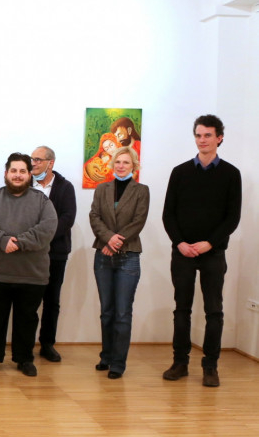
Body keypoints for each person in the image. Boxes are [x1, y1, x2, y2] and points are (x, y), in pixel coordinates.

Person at [162, 114, 241, 388]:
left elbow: (232, 217)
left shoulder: (231, 174)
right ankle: (180, 363)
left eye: (208, 135)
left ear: (219, 138)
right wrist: (180, 243)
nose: (202, 140)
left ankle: (210, 367)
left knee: (214, 311)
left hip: (213, 253)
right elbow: (168, 214)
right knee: (181, 310)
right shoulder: (180, 172)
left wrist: (210, 243)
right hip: (182, 252)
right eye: (198, 135)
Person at [0, 153, 56, 377]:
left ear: (29, 174)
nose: (17, 175)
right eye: (13, 171)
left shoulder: (42, 201)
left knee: (27, 319)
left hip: (31, 274)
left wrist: (19, 243)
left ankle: (24, 359)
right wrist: (2, 241)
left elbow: (48, 228)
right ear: (6, 173)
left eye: (22, 171)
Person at [89, 147, 149, 379]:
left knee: (122, 313)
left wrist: (115, 242)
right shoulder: (102, 189)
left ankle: (118, 363)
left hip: (128, 257)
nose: (121, 166)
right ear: (112, 165)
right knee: (107, 311)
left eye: (126, 162)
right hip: (103, 255)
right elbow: (94, 216)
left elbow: (138, 221)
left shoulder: (141, 190)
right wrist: (108, 238)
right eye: (118, 162)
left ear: (134, 166)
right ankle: (106, 356)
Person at [30, 146, 76, 363]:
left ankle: (47, 344)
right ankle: (25, 344)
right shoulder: (25, 184)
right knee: (29, 300)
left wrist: (43, 238)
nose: (34, 163)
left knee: (51, 300)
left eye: (38, 160)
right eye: (32, 159)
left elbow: (67, 218)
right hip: (28, 253)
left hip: (55, 252)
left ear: (51, 163)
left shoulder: (65, 187)